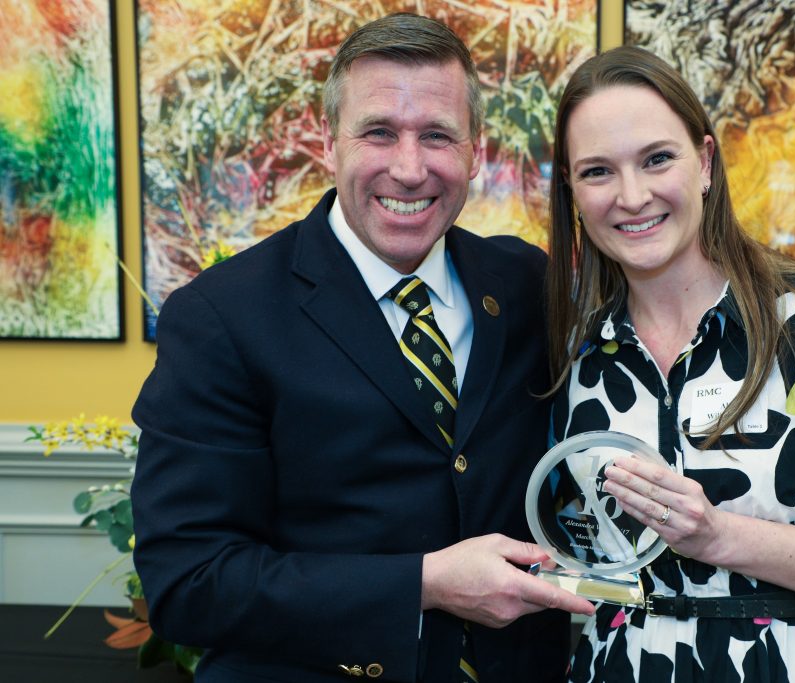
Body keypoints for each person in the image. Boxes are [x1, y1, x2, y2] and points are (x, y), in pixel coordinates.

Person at [130, 14, 593, 683]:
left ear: (474, 149)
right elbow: (190, 581)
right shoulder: (220, 316)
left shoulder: (524, 283)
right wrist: (424, 583)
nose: (409, 169)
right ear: (328, 140)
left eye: (437, 135)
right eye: (379, 131)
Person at [545, 46, 795, 682]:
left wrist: (717, 536)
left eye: (658, 159)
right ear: (571, 189)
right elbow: (572, 534)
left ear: (705, 163)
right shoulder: (576, 348)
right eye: (598, 171)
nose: (632, 196)